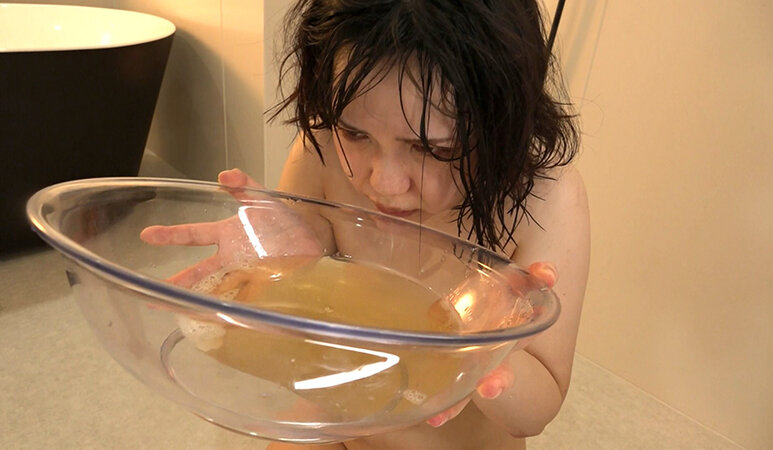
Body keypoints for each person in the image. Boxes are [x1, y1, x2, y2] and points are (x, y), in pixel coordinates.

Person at [143, 1, 589, 448]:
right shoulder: (322, 148)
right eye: (356, 134)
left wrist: (483, 354)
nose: (383, 183)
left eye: (434, 149)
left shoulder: (544, 198)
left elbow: (536, 413)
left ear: (500, 124)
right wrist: (266, 269)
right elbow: (299, 300)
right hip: (343, 429)